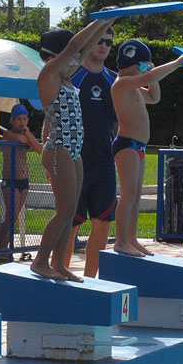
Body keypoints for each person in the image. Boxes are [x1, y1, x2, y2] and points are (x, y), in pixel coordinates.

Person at [32, 19, 115, 281]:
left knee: (69, 214)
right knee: (66, 211)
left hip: (73, 150)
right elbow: (75, 46)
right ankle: (40, 261)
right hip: (59, 150)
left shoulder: (65, 76)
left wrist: (107, 23)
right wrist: (100, 20)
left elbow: (82, 47)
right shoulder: (48, 74)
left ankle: (59, 264)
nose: (77, 60)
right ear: (56, 56)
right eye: (71, 56)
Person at [109, 41, 183, 257]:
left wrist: (150, 73)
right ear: (131, 63)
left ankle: (131, 239)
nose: (147, 70)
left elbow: (154, 97)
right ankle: (120, 241)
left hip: (139, 146)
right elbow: (146, 78)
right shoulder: (121, 84)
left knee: (136, 196)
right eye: (143, 66)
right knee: (128, 195)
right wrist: (177, 63)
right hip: (126, 144)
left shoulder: (135, 87)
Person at [64, 25, 118, 277]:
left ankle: (90, 281)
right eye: (99, 40)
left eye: (108, 42)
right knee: (70, 224)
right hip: (75, 162)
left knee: (103, 223)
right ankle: (61, 275)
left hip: (104, 163)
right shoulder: (72, 76)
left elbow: (118, 121)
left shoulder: (114, 80)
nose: (103, 46)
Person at [0, 103, 42, 254]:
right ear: (12, 120)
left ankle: (1, 249)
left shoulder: (27, 135)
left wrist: (29, 135)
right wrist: (28, 137)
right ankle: (0, 249)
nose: (22, 122)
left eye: (25, 119)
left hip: (24, 181)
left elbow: (40, 150)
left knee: (13, 217)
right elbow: (21, 140)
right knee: (11, 215)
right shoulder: (7, 134)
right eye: (19, 119)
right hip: (10, 181)